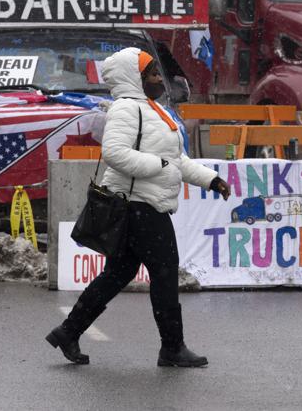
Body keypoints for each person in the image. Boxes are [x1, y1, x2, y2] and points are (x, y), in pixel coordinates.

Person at [47, 47, 231, 368]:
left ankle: (68, 331)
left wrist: (211, 180)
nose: (160, 80)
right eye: (153, 75)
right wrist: (156, 164)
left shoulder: (152, 110)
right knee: (163, 273)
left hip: (145, 203)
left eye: (158, 75)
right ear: (136, 78)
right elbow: (115, 152)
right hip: (138, 205)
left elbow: (178, 161)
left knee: (118, 274)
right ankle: (172, 347)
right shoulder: (127, 109)